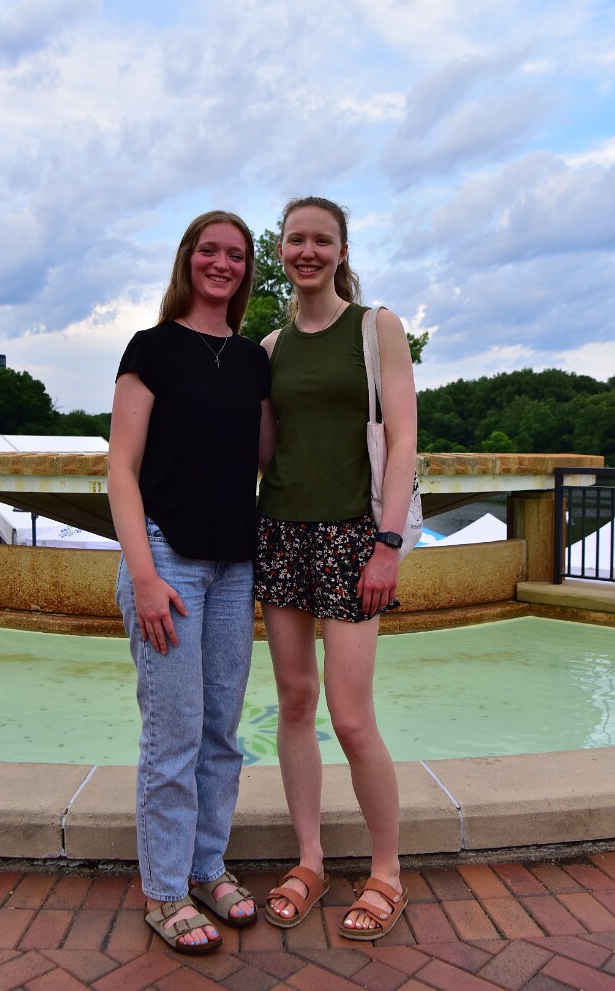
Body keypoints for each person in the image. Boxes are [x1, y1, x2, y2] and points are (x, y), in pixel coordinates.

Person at [108, 210, 275, 954]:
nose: (222, 263)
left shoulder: (252, 362)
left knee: (220, 734)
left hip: (235, 565)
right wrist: (143, 576)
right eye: (209, 250)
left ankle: (208, 865)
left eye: (235, 255)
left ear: (246, 270)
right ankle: (164, 891)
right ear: (188, 259)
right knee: (172, 735)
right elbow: (120, 468)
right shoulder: (151, 349)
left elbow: (267, 456)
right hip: (167, 559)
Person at [255, 197, 417, 940]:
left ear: (342, 248)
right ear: (281, 250)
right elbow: (259, 452)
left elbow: (405, 443)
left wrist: (387, 543)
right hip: (282, 534)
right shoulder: (269, 348)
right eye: (295, 239)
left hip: (355, 538)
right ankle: (312, 859)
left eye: (322, 239)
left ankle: (386, 872)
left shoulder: (375, 326)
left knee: (351, 718)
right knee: (294, 701)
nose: (307, 250)